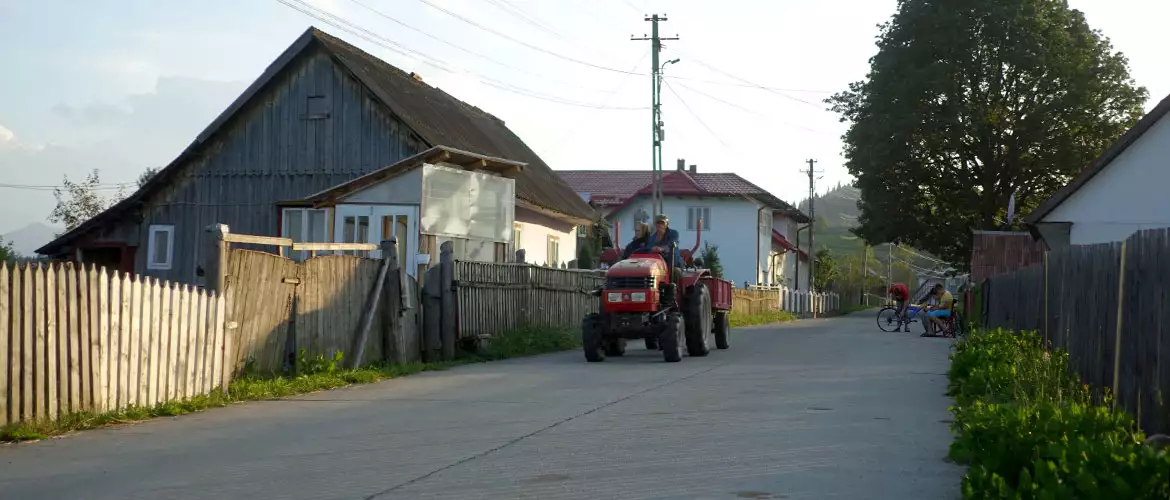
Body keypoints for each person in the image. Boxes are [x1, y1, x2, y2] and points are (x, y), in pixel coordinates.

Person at [645, 214, 683, 283]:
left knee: (675, 272)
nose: (660, 225)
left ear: (667, 224)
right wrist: (652, 249)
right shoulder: (652, 238)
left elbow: (672, 244)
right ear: (655, 224)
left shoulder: (673, 233)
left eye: (662, 223)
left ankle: (673, 292)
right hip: (657, 265)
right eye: (658, 223)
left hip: (673, 264)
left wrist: (661, 248)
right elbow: (648, 248)